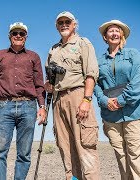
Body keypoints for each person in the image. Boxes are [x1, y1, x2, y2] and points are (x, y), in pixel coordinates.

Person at [44, 11, 100, 180]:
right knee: (65, 148)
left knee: (85, 147)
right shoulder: (53, 50)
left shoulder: (83, 43)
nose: (64, 25)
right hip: (58, 100)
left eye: (67, 21)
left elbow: (91, 74)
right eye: (60, 22)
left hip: (78, 95)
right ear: (56, 26)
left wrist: (86, 99)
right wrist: (48, 85)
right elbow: (49, 81)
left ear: (74, 24)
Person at [0, 22, 47, 180]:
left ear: (26, 37)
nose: (18, 36)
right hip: (3, 106)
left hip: (28, 106)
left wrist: (42, 107)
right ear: (10, 36)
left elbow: (39, 84)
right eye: (15, 33)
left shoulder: (33, 57)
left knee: (24, 153)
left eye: (22, 33)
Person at [94, 20, 140, 180]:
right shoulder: (98, 61)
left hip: (136, 114)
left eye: (117, 31)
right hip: (111, 118)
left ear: (122, 35)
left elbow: (138, 82)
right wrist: (105, 101)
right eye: (110, 31)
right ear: (105, 37)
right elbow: (94, 85)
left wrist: (120, 100)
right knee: (123, 161)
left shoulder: (133, 54)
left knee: (138, 161)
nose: (114, 33)